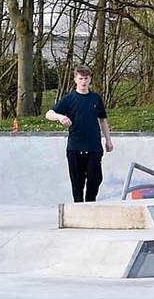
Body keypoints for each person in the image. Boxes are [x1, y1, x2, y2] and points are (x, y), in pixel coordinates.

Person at [46, 66, 113, 202]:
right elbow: (49, 114)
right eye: (81, 79)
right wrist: (60, 117)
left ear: (90, 80)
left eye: (86, 79)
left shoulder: (95, 98)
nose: (83, 81)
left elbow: (103, 120)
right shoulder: (69, 99)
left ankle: (90, 203)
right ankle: (78, 207)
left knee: (95, 179)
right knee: (78, 183)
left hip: (94, 146)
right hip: (75, 147)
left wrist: (108, 140)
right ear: (75, 79)